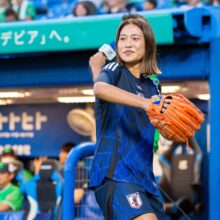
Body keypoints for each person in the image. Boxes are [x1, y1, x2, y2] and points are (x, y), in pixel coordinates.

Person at [89, 15, 171, 220]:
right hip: (114, 174)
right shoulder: (114, 69)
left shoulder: (153, 85)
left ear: (148, 45)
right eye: (123, 39)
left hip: (144, 178)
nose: (127, 44)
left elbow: (158, 123)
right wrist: (145, 103)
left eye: (135, 39)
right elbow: (99, 88)